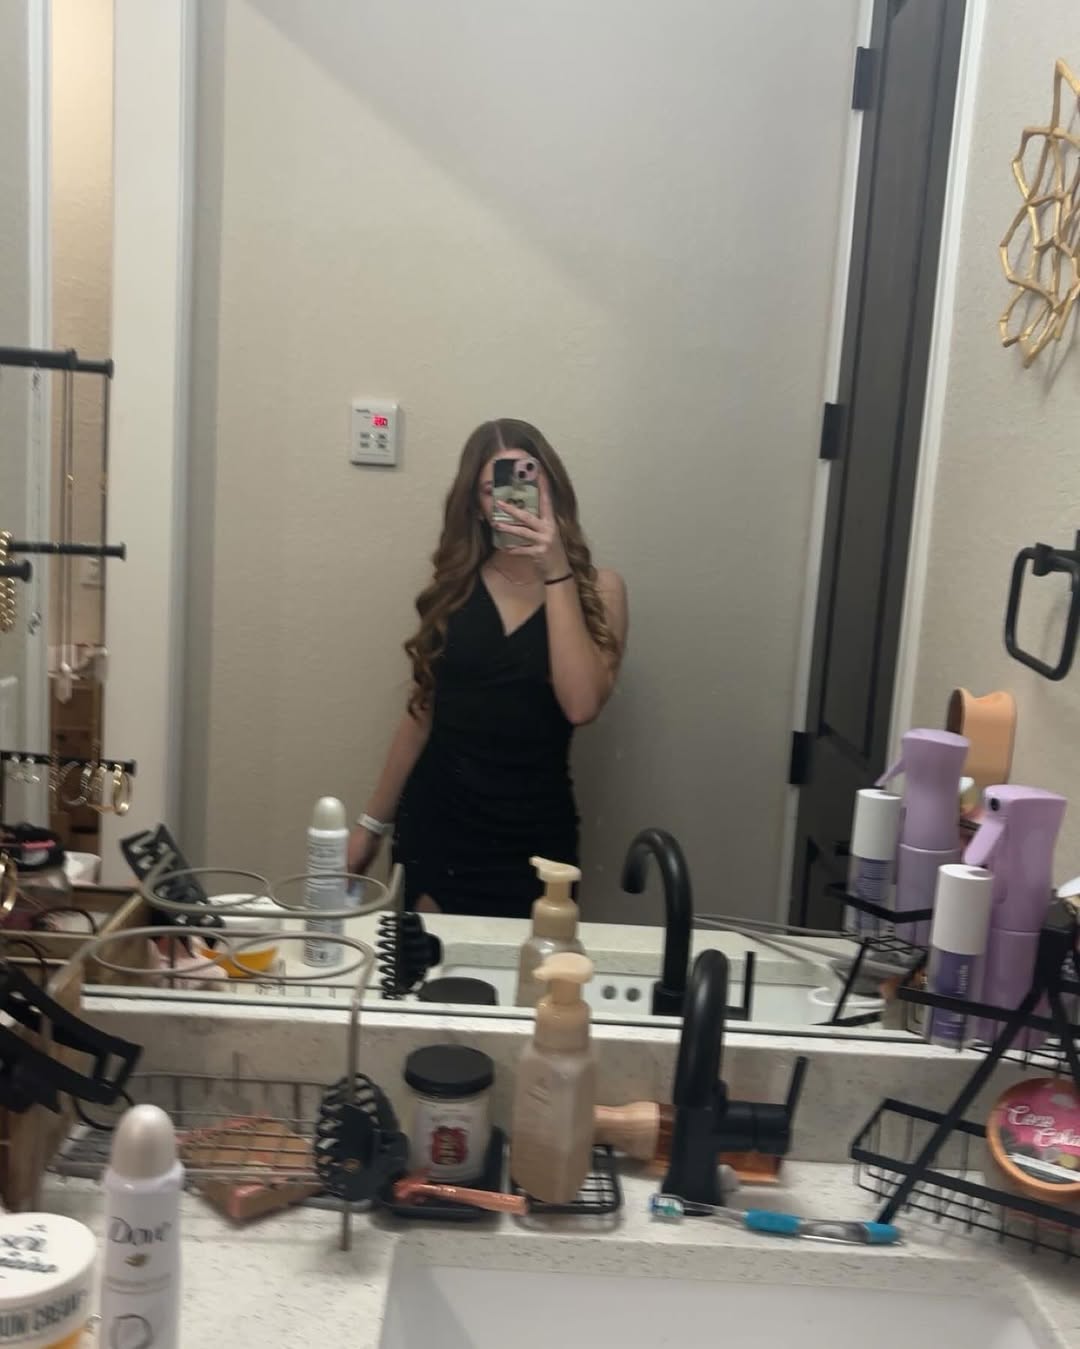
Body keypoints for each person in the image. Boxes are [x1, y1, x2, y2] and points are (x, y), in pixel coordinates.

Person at [348, 418, 628, 918]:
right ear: (477, 505)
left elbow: (581, 705)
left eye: (528, 480)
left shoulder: (600, 590)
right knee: (426, 964)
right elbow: (420, 716)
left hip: (537, 840)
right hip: (439, 825)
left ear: (552, 489)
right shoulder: (455, 587)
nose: (511, 498)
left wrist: (555, 569)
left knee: (535, 965)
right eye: (490, 487)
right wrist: (370, 826)